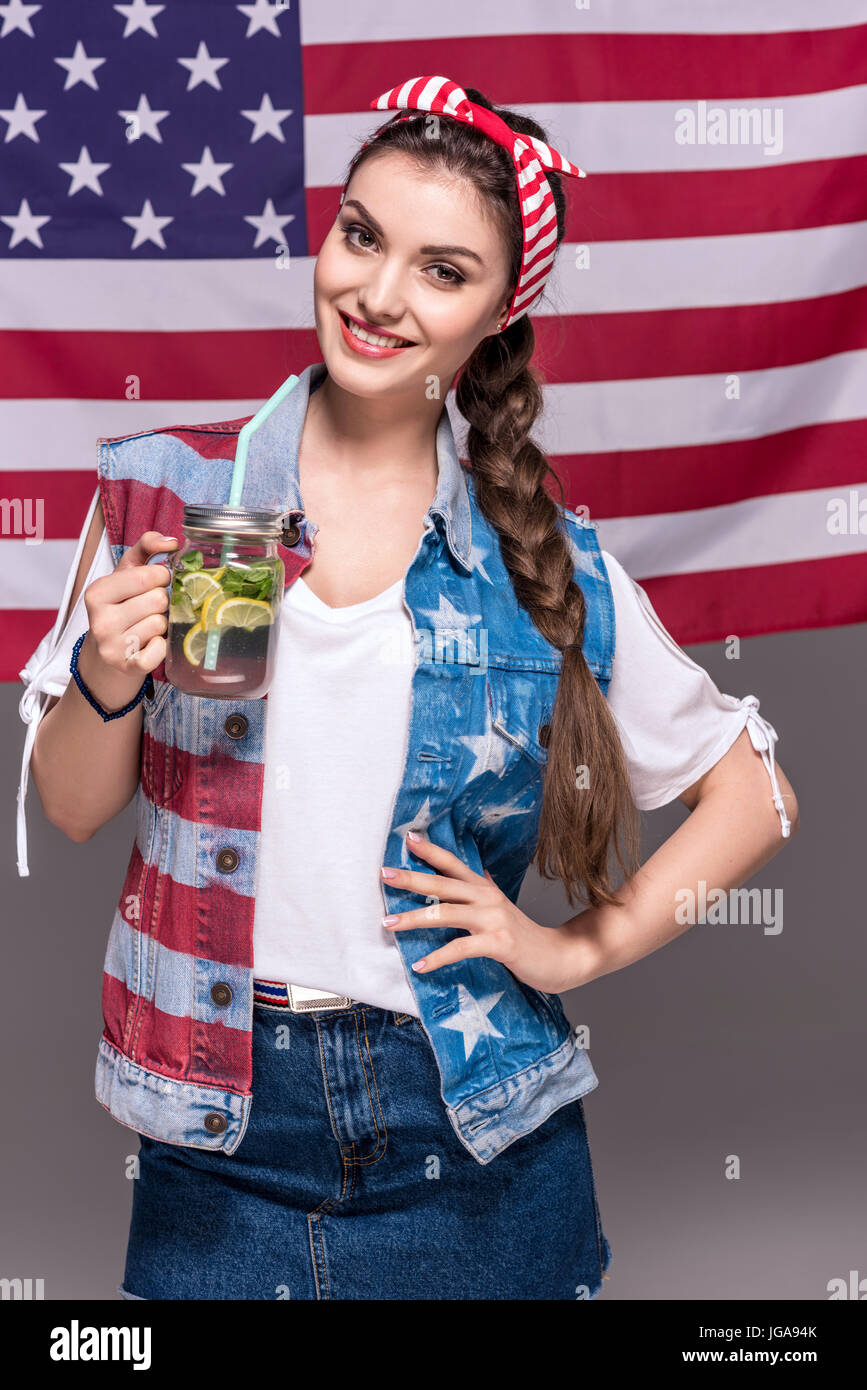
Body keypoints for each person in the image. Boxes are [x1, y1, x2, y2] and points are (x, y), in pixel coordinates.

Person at [16, 77, 799, 1301]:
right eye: (362, 235)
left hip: (471, 1132)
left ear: (499, 313)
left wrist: (570, 952)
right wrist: (109, 676)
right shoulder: (164, 490)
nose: (377, 296)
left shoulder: (542, 557)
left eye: (443, 270)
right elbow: (71, 809)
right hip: (217, 1130)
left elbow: (749, 791)